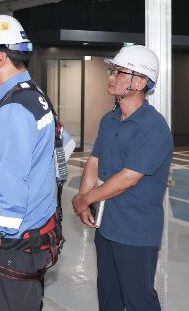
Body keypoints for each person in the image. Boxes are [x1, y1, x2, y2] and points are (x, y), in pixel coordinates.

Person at [0, 15, 60, 311]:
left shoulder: (14, 109)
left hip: (15, 241)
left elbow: (11, 180)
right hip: (34, 230)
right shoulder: (34, 96)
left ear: (0, 59)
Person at [71, 45, 172, 311]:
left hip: (136, 231)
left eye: (119, 72)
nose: (111, 77)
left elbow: (129, 178)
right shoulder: (110, 119)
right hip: (106, 226)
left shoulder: (153, 127)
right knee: (108, 296)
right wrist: (83, 196)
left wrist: (86, 199)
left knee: (139, 300)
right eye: (112, 71)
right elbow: (95, 160)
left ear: (139, 82)